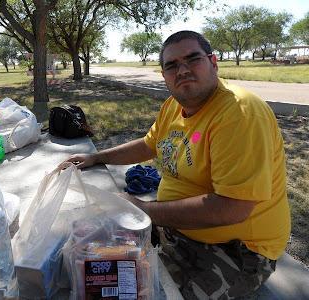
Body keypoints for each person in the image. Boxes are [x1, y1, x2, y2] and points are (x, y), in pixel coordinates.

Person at [63, 31, 290, 299]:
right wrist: (96, 157)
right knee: (89, 260)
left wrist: (146, 209)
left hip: (238, 249)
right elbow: (149, 144)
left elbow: (233, 207)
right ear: (164, 75)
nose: (182, 70)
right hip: (175, 229)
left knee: (147, 291)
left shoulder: (239, 114)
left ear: (213, 62)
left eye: (193, 59)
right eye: (171, 65)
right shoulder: (173, 105)